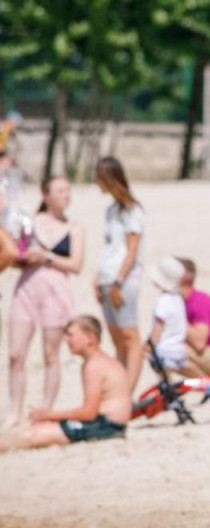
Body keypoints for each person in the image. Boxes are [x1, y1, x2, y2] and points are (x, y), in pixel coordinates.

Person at [7, 176, 84, 427]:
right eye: (60, 190)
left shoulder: (75, 227)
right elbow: (12, 255)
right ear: (46, 196)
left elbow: (76, 265)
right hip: (27, 289)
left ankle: (46, 409)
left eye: (67, 190)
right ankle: (15, 410)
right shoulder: (29, 223)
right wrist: (23, 258)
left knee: (51, 354)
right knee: (16, 354)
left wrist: (47, 257)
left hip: (56, 291)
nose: (66, 195)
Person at [0, 316, 131, 451]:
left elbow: (89, 413)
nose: (66, 340)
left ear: (89, 337)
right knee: (40, 429)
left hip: (105, 427)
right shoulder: (102, 361)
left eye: (70, 335)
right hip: (109, 425)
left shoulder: (94, 366)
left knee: (31, 434)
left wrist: (48, 415)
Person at [94, 156, 145, 392]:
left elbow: (132, 249)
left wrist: (118, 281)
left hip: (123, 279)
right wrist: (99, 277)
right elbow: (110, 248)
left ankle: (128, 391)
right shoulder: (111, 210)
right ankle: (120, 389)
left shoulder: (132, 210)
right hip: (108, 276)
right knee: (117, 338)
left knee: (129, 336)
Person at [147, 257, 188, 373]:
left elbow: (159, 327)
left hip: (164, 351)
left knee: (165, 382)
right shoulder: (178, 299)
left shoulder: (163, 300)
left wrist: (150, 345)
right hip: (179, 350)